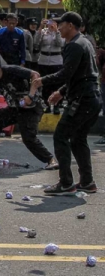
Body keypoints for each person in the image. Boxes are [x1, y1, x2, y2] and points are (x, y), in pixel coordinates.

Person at [32, 12, 101, 196]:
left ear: (70, 25)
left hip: (83, 100)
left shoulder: (75, 46)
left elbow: (65, 73)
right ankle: (87, 182)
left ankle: (66, 183)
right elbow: (77, 75)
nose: (58, 28)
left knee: (60, 136)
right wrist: (60, 92)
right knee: (78, 139)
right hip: (92, 99)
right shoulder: (84, 42)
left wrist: (42, 81)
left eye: (60, 25)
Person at [34, 18, 65, 114]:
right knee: (45, 83)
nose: (50, 24)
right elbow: (36, 43)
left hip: (56, 60)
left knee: (57, 83)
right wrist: (40, 28)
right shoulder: (43, 31)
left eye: (53, 22)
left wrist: (56, 31)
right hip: (44, 60)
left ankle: (56, 105)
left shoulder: (60, 32)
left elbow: (60, 43)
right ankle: (46, 105)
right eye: (49, 22)